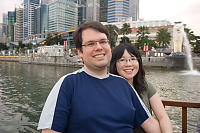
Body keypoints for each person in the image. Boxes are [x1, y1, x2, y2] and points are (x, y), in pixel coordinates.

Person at [37, 21, 161, 133]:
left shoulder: (123, 84)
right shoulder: (68, 84)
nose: (99, 47)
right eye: (90, 44)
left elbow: (149, 123)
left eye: (103, 41)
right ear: (80, 51)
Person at [110, 42, 172, 133]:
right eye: (122, 60)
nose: (128, 64)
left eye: (133, 59)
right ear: (114, 64)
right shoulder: (109, 88)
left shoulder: (144, 85)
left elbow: (163, 117)